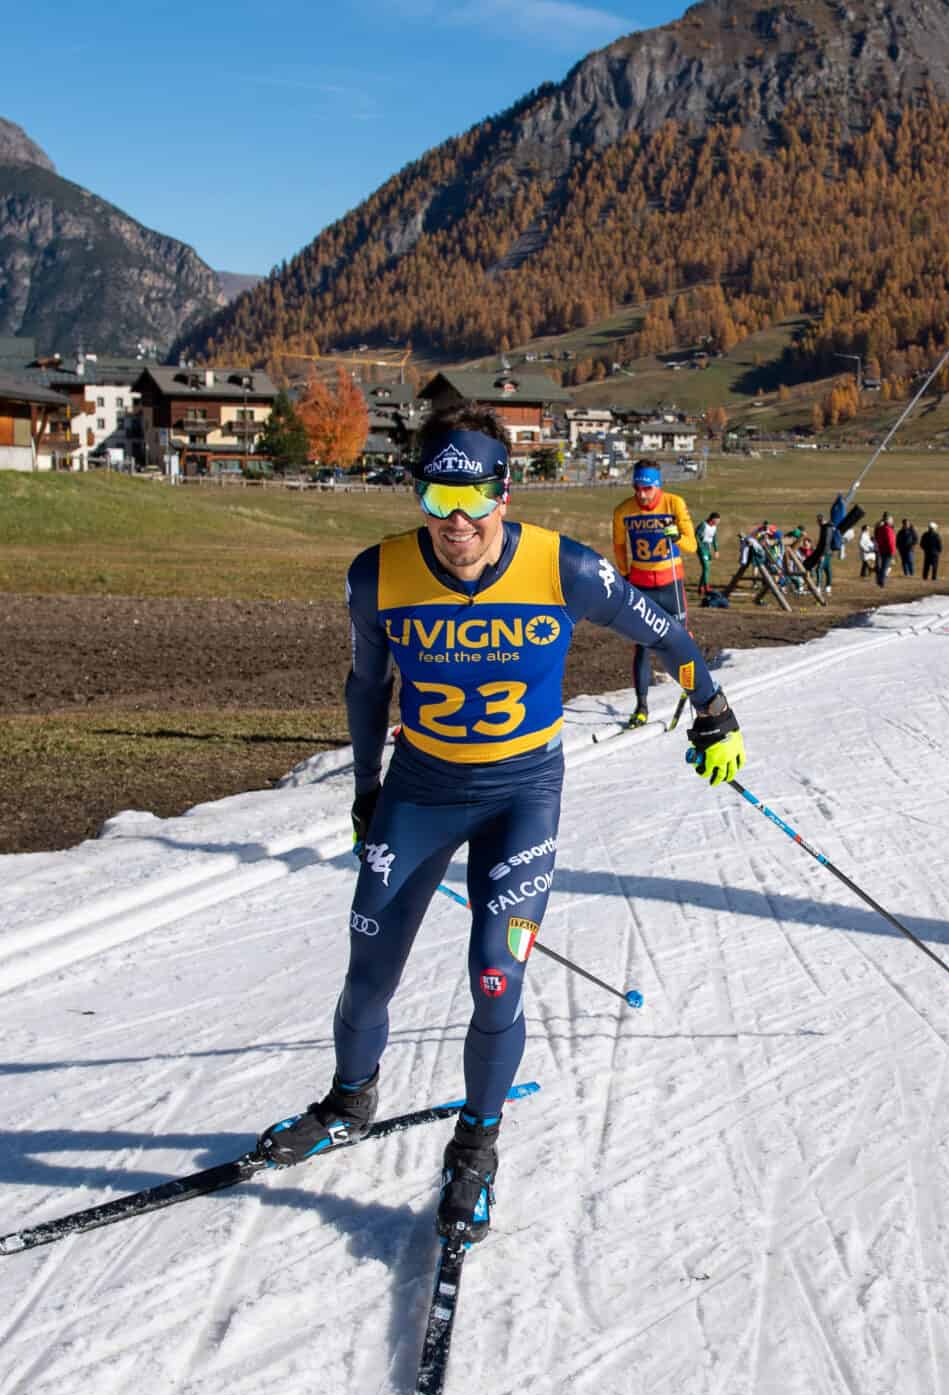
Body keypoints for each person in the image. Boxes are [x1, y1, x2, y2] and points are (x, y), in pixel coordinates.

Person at [257, 404, 747, 1247]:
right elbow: (368, 689)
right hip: (420, 787)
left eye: (474, 497)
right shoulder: (377, 575)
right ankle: (349, 1100)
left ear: (505, 493)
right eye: (437, 497)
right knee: (369, 966)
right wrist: (366, 789)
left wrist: (714, 707)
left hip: (523, 791)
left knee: (495, 974)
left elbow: (661, 627)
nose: (457, 521)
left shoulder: (569, 569)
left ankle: (476, 1145)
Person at [610, 462, 699, 727]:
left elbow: (692, 545)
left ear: (658, 486)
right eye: (637, 488)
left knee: (681, 642)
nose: (642, 495)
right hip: (641, 585)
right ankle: (641, 707)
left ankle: (696, 695)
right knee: (642, 646)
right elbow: (618, 545)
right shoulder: (623, 510)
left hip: (670, 583)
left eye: (647, 488)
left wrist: (677, 538)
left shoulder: (674, 504)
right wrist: (624, 574)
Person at [697, 511, 720, 594]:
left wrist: (716, 550)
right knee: (706, 567)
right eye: (717, 520)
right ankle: (706, 586)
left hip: (708, 548)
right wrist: (700, 547)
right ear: (712, 519)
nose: (718, 522)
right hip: (702, 548)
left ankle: (701, 587)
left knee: (706, 569)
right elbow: (696, 536)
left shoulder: (714, 527)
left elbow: (714, 538)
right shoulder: (703, 525)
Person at [872, 514, 896, 587]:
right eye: (891, 521)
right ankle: (881, 582)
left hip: (882, 549)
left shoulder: (880, 528)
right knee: (885, 567)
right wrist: (892, 551)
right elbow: (890, 541)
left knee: (883, 566)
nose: (892, 522)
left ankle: (879, 580)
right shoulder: (888, 529)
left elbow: (878, 539)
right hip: (888, 550)